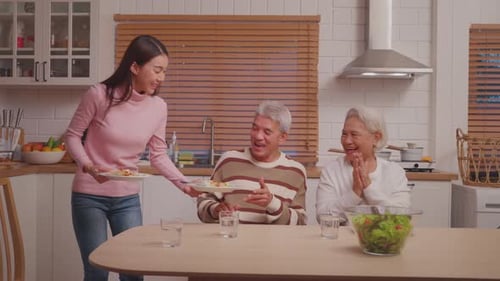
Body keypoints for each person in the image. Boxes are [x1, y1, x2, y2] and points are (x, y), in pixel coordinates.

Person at [64, 35, 199, 281]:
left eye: (165, 71)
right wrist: (88, 165)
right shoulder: (99, 95)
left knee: (133, 271)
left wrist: (184, 184)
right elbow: (72, 136)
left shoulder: (158, 107)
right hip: (89, 195)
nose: (161, 78)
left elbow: (158, 155)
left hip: (127, 198)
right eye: (157, 70)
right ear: (135, 67)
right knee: (96, 271)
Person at [197, 100, 308, 225]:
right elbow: (203, 202)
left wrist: (273, 204)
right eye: (255, 128)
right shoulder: (229, 161)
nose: (258, 136)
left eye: (267, 132)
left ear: (282, 138)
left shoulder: (296, 171)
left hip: (274, 244)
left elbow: (301, 223)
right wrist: (215, 210)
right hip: (231, 241)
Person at [316, 106, 410, 223]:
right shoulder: (331, 171)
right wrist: (354, 194)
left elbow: (402, 217)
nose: (347, 141)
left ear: (376, 138)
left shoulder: (394, 172)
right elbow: (322, 217)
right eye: (344, 134)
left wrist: (369, 189)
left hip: (385, 240)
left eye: (354, 135)